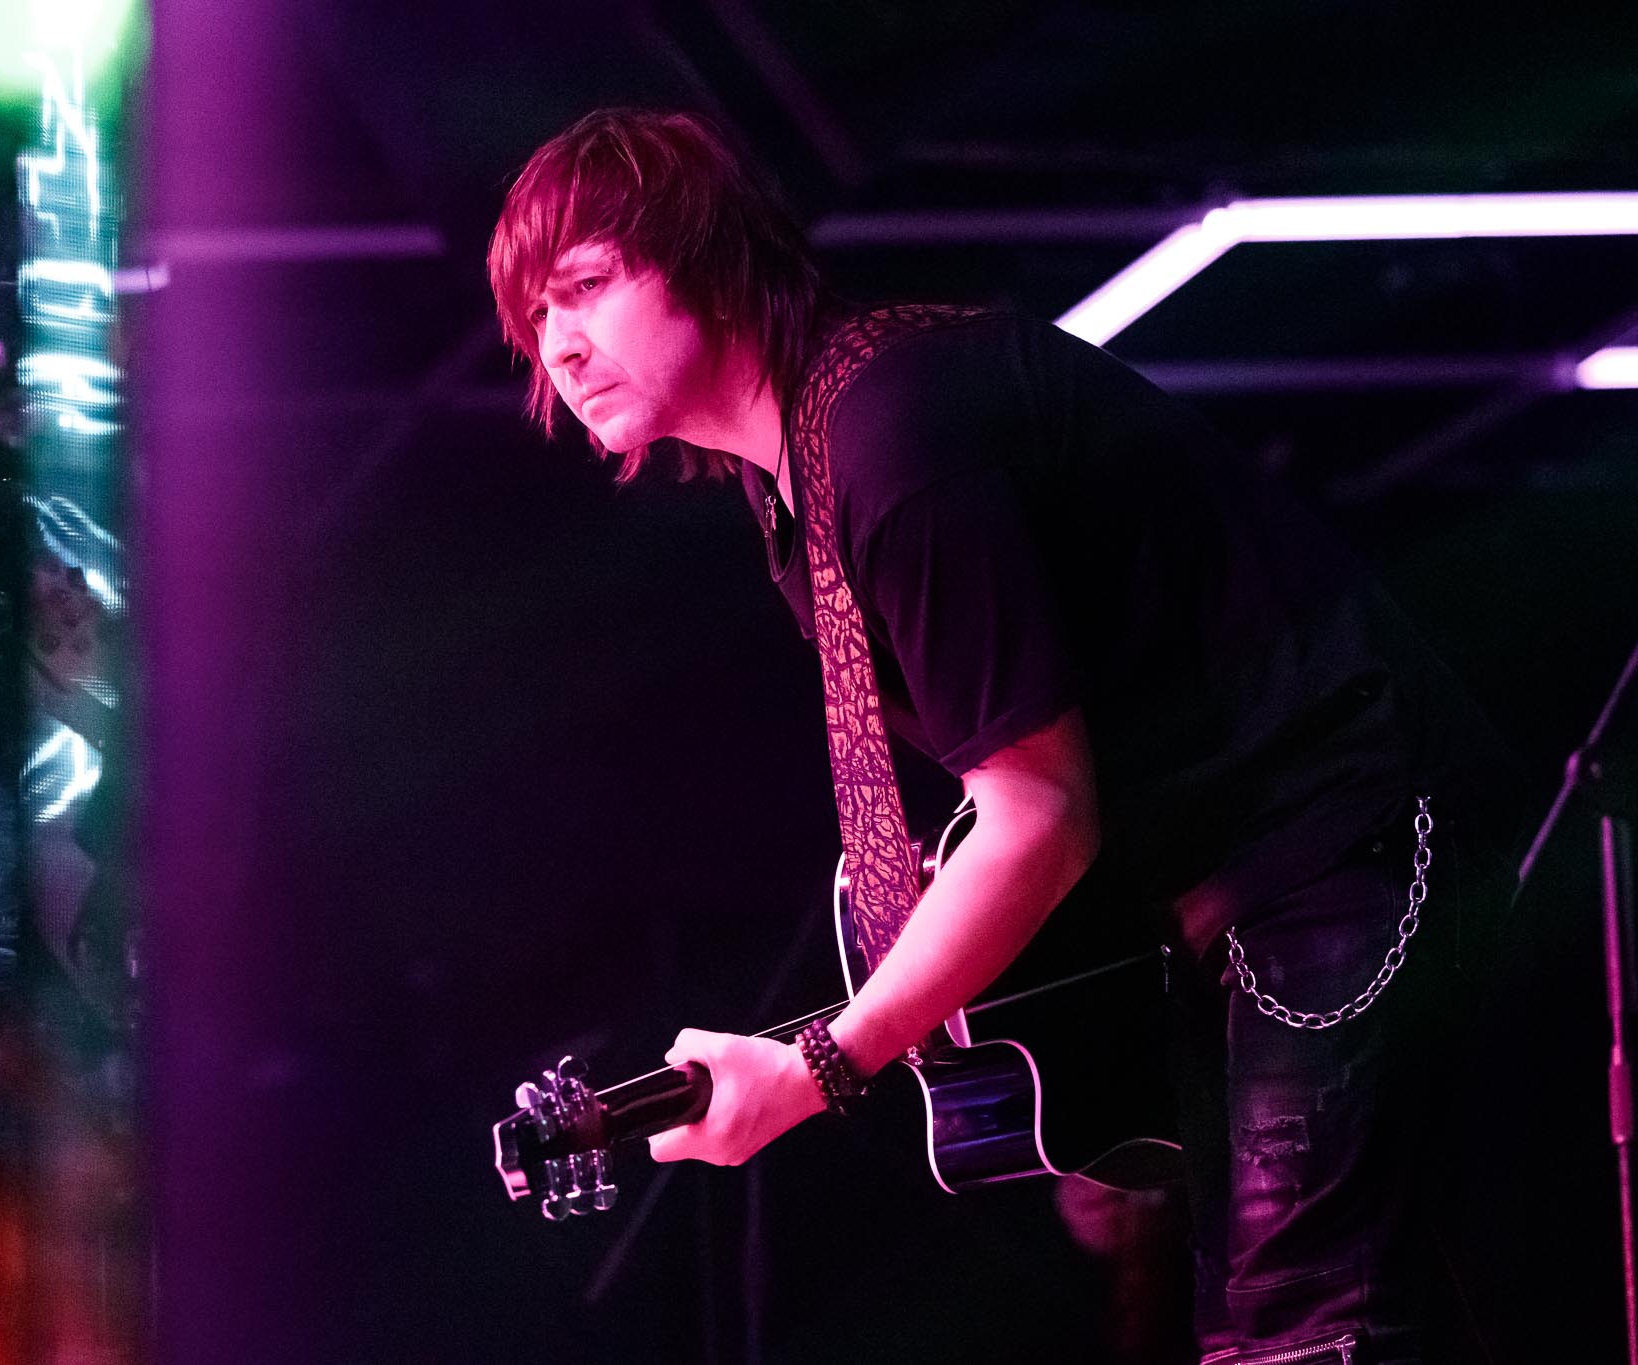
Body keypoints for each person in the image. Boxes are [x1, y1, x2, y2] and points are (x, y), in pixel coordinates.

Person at [486, 108, 1520, 1364]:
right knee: (1275, 1323)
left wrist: (819, 1065)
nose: (560, 345)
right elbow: (1027, 789)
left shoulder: (889, 433)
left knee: (1309, 1325)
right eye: (536, 316)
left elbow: (1040, 814)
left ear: (706, 251)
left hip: (1342, 836)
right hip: (1233, 891)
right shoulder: (797, 487)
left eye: (586, 285)